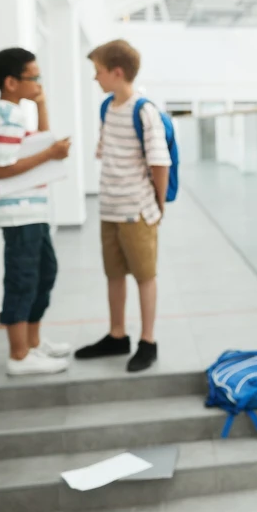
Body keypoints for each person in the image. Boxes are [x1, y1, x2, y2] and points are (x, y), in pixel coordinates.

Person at [74, 39, 171, 373]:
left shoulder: (143, 110)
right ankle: (117, 335)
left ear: (117, 73)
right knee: (113, 274)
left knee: (145, 275)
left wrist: (157, 206)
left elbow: (160, 162)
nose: (95, 78)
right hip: (110, 210)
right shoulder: (108, 108)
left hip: (137, 210)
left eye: (98, 72)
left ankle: (148, 340)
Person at [0, 47, 72, 375]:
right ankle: (19, 355)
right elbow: (3, 168)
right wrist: (50, 154)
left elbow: (40, 142)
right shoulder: (4, 115)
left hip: (32, 212)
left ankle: (33, 344)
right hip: (18, 214)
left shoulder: (15, 113)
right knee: (22, 280)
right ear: (11, 82)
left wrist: (41, 104)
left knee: (44, 273)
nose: (38, 82)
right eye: (32, 77)